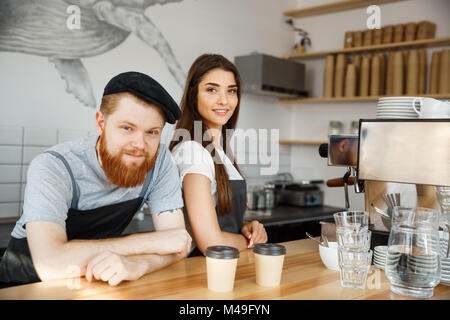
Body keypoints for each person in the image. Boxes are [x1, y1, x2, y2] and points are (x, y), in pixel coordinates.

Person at [0, 72, 191, 287]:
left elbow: (177, 244)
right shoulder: (54, 166)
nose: (139, 144)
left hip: (95, 285)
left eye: (152, 132)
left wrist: (140, 265)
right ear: (101, 123)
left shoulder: (160, 160)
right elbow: (50, 264)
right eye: (127, 128)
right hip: (25, 286)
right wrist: (152, 242)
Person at [169, 54, 267, 257]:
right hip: (201, 274)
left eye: (231, 91)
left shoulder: (220, 150)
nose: (224, 100)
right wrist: (249, 242)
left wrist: (248, 228)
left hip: (226, 267)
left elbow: (220, 219)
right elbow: (211, 243)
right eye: (212, 90)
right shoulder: (193, 151)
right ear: (192, 95)